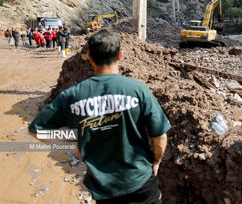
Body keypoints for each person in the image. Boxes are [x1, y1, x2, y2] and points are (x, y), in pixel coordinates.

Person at [29, 30, 170, 204]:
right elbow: (159, 135)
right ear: (120, 56)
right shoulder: (138, 90)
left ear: (89, 57)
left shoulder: (72, 96)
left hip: (104, 188)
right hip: (140, 182)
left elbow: (37, 130)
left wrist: (74, 142)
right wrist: (156, 161)